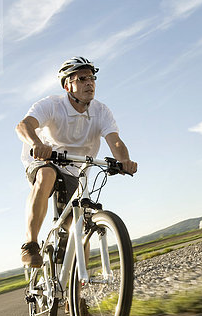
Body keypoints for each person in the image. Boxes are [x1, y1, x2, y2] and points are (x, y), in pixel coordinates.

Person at [16, 56, 138, 267]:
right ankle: (31, 244)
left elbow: (115, 142)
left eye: (92, 78)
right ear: (67, 85)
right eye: (82, 79)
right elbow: (23, 125)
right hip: (43, 160)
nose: (89, 83)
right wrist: (37, 143)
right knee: (48, 174)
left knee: (80, 227)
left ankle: (75, 296)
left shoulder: (101, 111)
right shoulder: (52, 105)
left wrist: (124, 160)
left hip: (75, 171)